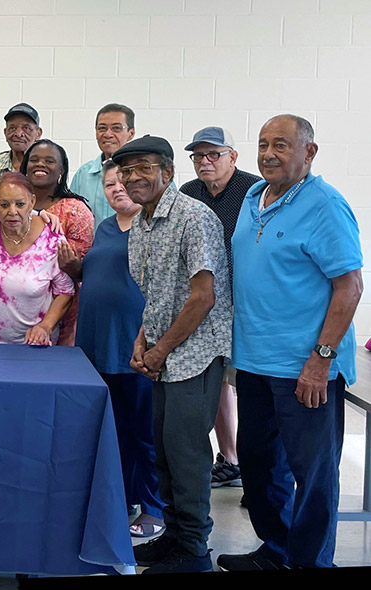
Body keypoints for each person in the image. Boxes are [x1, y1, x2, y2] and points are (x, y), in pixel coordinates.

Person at [217, 115, 363, 571]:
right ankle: (277, 550)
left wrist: (320, 360)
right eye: (263, 144)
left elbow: (350, 287)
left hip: (306, 370)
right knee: (259, 468)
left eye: (281, 145)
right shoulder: (254, 198)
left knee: (313, 476)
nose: (268, 154)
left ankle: (311, 564)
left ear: (309, 152)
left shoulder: (326, 205)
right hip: (255, 364)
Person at [115, 135, 232, 574]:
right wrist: (143, 343)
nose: (133, 177)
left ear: (167, 171)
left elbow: (203, 297)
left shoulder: (193, 217)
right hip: (163, 355)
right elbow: (156, 295)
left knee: (186, 453)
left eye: (143, 167)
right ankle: (175, 538)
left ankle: (196, 551)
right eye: (127, 170)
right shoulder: (143, 223)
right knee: (163, 449)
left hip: (195, 354)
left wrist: (161, 349)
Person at [64, 160, 165, 538]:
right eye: (110, 184)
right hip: (98, 344)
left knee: (145, 431)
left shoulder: (153, 228)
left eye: (122, 181)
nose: (117, 188)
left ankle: (155, 507)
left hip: (134, 346)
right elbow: (97, 277)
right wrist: (75, 269)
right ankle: (122, 499)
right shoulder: (104, 228)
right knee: (115, 430)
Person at [181, 126, 263, 490]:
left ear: (233, 157)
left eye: (214, 154)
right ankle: (230, 458)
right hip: (204, 303)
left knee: (249, 385)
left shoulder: (254, 190)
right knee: (218, 381)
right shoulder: (189, 193)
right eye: (199, 155)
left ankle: (257, 468)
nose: (205, 161)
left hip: (248, 304)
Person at [0, 172, 73, 345]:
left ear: (32, 202)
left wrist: (45, 326)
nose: (12, 211)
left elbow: (65, 292)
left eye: (20, 204)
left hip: (35, 342)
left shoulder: (52, 240)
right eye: (4, 204)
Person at [19, 139, 94, 346]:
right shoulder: (13, 208)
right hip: (14, 312)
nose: (40, 164)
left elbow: (84, 270)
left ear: (61, 169)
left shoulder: (75, 211)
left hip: (61, 315)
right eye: (34, 160)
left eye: (49, 161)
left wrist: (74, 267)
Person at [70, 103, 136, 225]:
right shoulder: (83, 175)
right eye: (102, 128)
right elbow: (70, 216)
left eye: (116, 128)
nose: (108, 134)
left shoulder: (144, 173)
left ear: (131, 133)